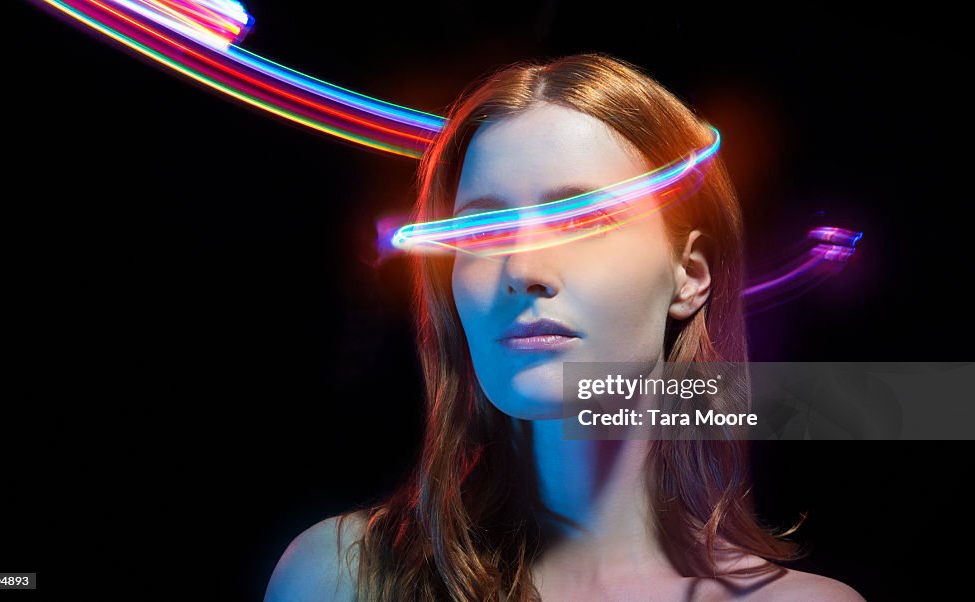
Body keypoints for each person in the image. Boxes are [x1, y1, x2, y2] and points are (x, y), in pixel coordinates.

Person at [264, 53, 864, 601]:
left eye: (584, 220)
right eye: (485, 229)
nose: (522, 268)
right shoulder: (341, 579)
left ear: (689, 276)